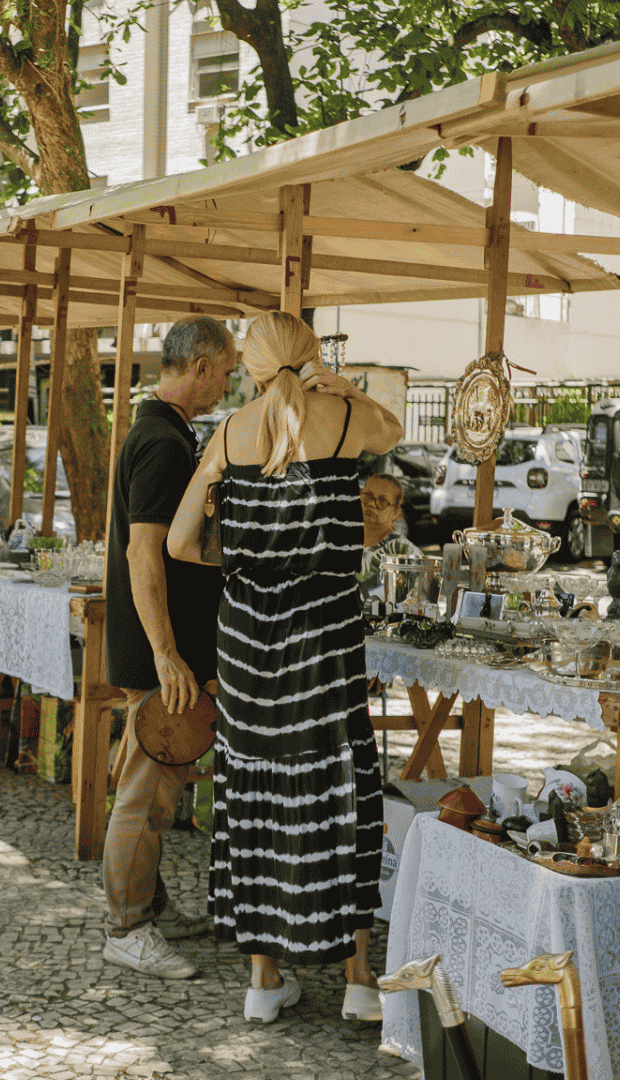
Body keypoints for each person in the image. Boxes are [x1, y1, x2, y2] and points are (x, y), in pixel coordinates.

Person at [167, 310, 402, 1025]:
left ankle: (263, 983)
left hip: (247, 646)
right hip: (325, 641)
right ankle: (359, 979)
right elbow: (394, 432)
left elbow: (180, 542)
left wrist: (243, 562)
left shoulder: (229, 434)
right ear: (312, 357)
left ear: (250, 368)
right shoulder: (339, 422)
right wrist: (351, 390)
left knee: (254, 793)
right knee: (340, 789)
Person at [100, 315, 236, 981]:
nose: (229, 382)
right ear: (201, 367)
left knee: (156, 784)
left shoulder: (161, 431)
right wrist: (165, 652)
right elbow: (142, 550)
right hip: (161, 652)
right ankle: (128, 926)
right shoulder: (163, 441)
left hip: (162, 647)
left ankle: (146, 903)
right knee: (147, 793)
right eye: (227, 369)